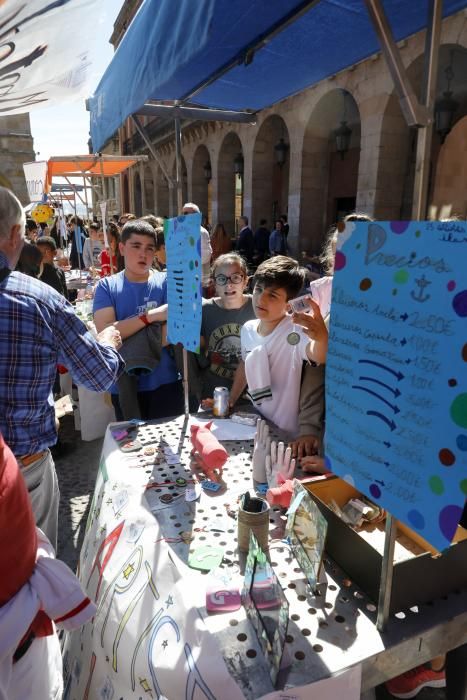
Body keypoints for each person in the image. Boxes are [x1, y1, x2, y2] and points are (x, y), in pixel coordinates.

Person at [0, 187, 124, 552]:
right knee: (29, 574)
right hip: (21, 470)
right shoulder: (37, 298)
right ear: (12, 234)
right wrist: (109, 341)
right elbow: (98, 374)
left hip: (23, 465)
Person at [93, 219, 184, 421]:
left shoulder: (168, 281)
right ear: (122, 248)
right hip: (124, 388)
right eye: (136, 246)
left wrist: (126, 336)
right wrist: (151, 316)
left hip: (166, 382)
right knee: (133, 450)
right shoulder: (106, 287)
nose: (143, 254)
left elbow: (177, 328)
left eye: (149, 248)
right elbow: (106, 336)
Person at [230, 255, 327, 436]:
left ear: (289, 305)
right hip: (255, 427)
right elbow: (245, 365)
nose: (261, 299)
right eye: (258, 289)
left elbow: (318, 355)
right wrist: (231, 400)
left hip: (286, 434)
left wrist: (321, 337)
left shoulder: (295, 330)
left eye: (272, 295)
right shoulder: (248, 329)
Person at [199, 253, 254, 401]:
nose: (229, 284)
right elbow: (198, 348)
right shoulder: (205, 310)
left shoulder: (258, 307)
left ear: (245, 281)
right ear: (214, 284)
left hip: (253, 396)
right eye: (222, 279)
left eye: (235, 277)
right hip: (214, 394)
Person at [182, 202, 212, 292]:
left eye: (186, 213)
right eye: (183, 213)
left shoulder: (201, 232)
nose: (184, 216)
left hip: (199, 281)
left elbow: (206, 256)